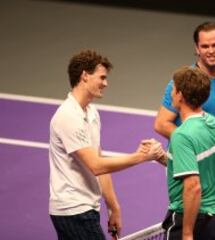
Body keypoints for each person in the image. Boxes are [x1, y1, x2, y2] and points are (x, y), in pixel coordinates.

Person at [49, 50, 163, 240]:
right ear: (85, 76)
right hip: (72, 211)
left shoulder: (92, 113)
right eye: (102, 77)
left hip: (86, 208)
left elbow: (100, 163)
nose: (106, 83)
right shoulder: (68, 116)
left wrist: (114, 208)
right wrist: (141, 157)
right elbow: (96, 166)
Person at [154, 21, 215, 192]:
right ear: (197, 48)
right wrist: (197, 143)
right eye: (205, 46)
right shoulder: (181, 82)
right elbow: (161, 124)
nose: (210, 51)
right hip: (187, 166)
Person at [157, 66, 215, 240]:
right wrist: (163, 157)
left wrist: (187, 233)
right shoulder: (214, 123)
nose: (171, 93)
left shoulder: (182, 135)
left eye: (174, 89)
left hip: (194, 221)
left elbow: (193, 186)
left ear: (180, 95)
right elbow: (201, 165)